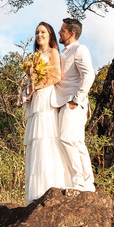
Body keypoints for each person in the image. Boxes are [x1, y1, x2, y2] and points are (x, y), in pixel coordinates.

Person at [22, 21, 67, 202]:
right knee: (35, 141)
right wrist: (28, 91)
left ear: (49, 35)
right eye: (37, 32)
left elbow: (56, 76)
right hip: (35, 100)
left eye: (43, 32)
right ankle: (34, 194)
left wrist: (37, 86)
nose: (39, 35)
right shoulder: (35, 56)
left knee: (45, 138)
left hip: (46, 98)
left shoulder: (53, 52)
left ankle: (48, 188)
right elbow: (30, 80)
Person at [52, 17, 96, 191]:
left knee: (67, 139)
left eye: (62, 30)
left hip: (73, 103)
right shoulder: (63, 53)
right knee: (77, 142)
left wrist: (76, 100)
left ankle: (79, 182)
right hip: (64, 102)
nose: (59, 33)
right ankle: (87, 183)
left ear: (72, 33)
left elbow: (89, 75)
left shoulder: (79, 49)